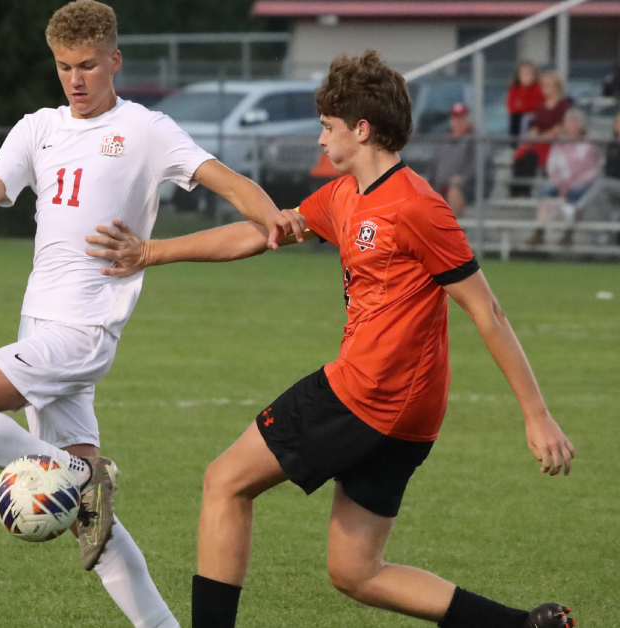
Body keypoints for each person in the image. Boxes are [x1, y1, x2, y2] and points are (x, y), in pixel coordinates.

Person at [86, 51, 576, 628]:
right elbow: (260, 233)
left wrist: (536, 413)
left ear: (362, 130)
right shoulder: (344, 197)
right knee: (356, 571)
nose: (320, 139)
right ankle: (522, 627)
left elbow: (485, 308)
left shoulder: (416, 205)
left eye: (328, 126)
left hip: (367, 394)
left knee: (224, 482)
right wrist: (150, 252)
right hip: (410, 416)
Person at [0, 2, 305, 626]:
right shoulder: (36, 128)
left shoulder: (148, 130)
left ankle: (75, 471)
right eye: (64, 67)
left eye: (89, 66)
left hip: (83, 331)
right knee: (88, 522)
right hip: (38, 327)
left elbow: (229, 182)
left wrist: (273, 216)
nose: (76, 79)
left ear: (115, 61)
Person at [529, 109, 601, 246]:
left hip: (580, 185)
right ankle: (539, 231)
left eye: (575, 122)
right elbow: (552, 167)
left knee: (578, 196)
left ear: (581, 124)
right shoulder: (559, 144)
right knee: (545, 193)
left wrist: (572, 184)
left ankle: (568, 232)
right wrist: (562, 184)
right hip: (560, 184)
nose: (572, 125)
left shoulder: (588, 145)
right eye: (570, 122)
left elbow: (593, 170)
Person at [512, 70, 573, 197]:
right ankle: (518, 190)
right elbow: (535, 125)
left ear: (556, 87)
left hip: (555, 144)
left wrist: (548, 135)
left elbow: (562, 126)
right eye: (543, 85)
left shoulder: (563, 105)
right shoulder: (540, 106)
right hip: (540, 141)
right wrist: (534, 134)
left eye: (548, 85)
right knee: (524, 153)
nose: (545, 89)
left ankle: (525, 191)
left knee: (531, 155)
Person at [430, 102, 475, 217]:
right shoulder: (443, 140)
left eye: (462, 118)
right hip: (440, 186)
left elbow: (475, 165)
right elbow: (434, 167)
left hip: (466, 186)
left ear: (467, 119)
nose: (458, 122)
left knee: (454, 191)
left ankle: (452, 230)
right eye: (456, 118)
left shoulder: (473, 140)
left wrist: (463, 177)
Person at [507, 60, 542, 139]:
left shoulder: (538, 88)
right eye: (523, 73)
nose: (526, 75)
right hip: (517, 120)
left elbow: (536, 106)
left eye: (528, 73)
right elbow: (512, 107)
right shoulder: (514, 89)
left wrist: (522, 105)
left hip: (533, 120)